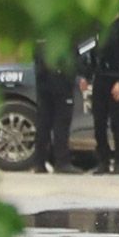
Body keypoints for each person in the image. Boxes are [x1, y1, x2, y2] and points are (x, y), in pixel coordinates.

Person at [87, 14, 119, 174]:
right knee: (99, 122)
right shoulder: (100, 28)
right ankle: (103, 161)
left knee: (117, 122)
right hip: (101, 79)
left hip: (117, 79)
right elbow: (95, 55)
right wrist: (88, 75)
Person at [30, 39, 76, 173]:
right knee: (61, 124)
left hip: (43, 85)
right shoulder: (62, 37)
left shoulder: (40, 35)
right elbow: (71, 61)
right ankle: (62, 163)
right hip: (60, 85)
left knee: (43, 124)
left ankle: (39, 162)